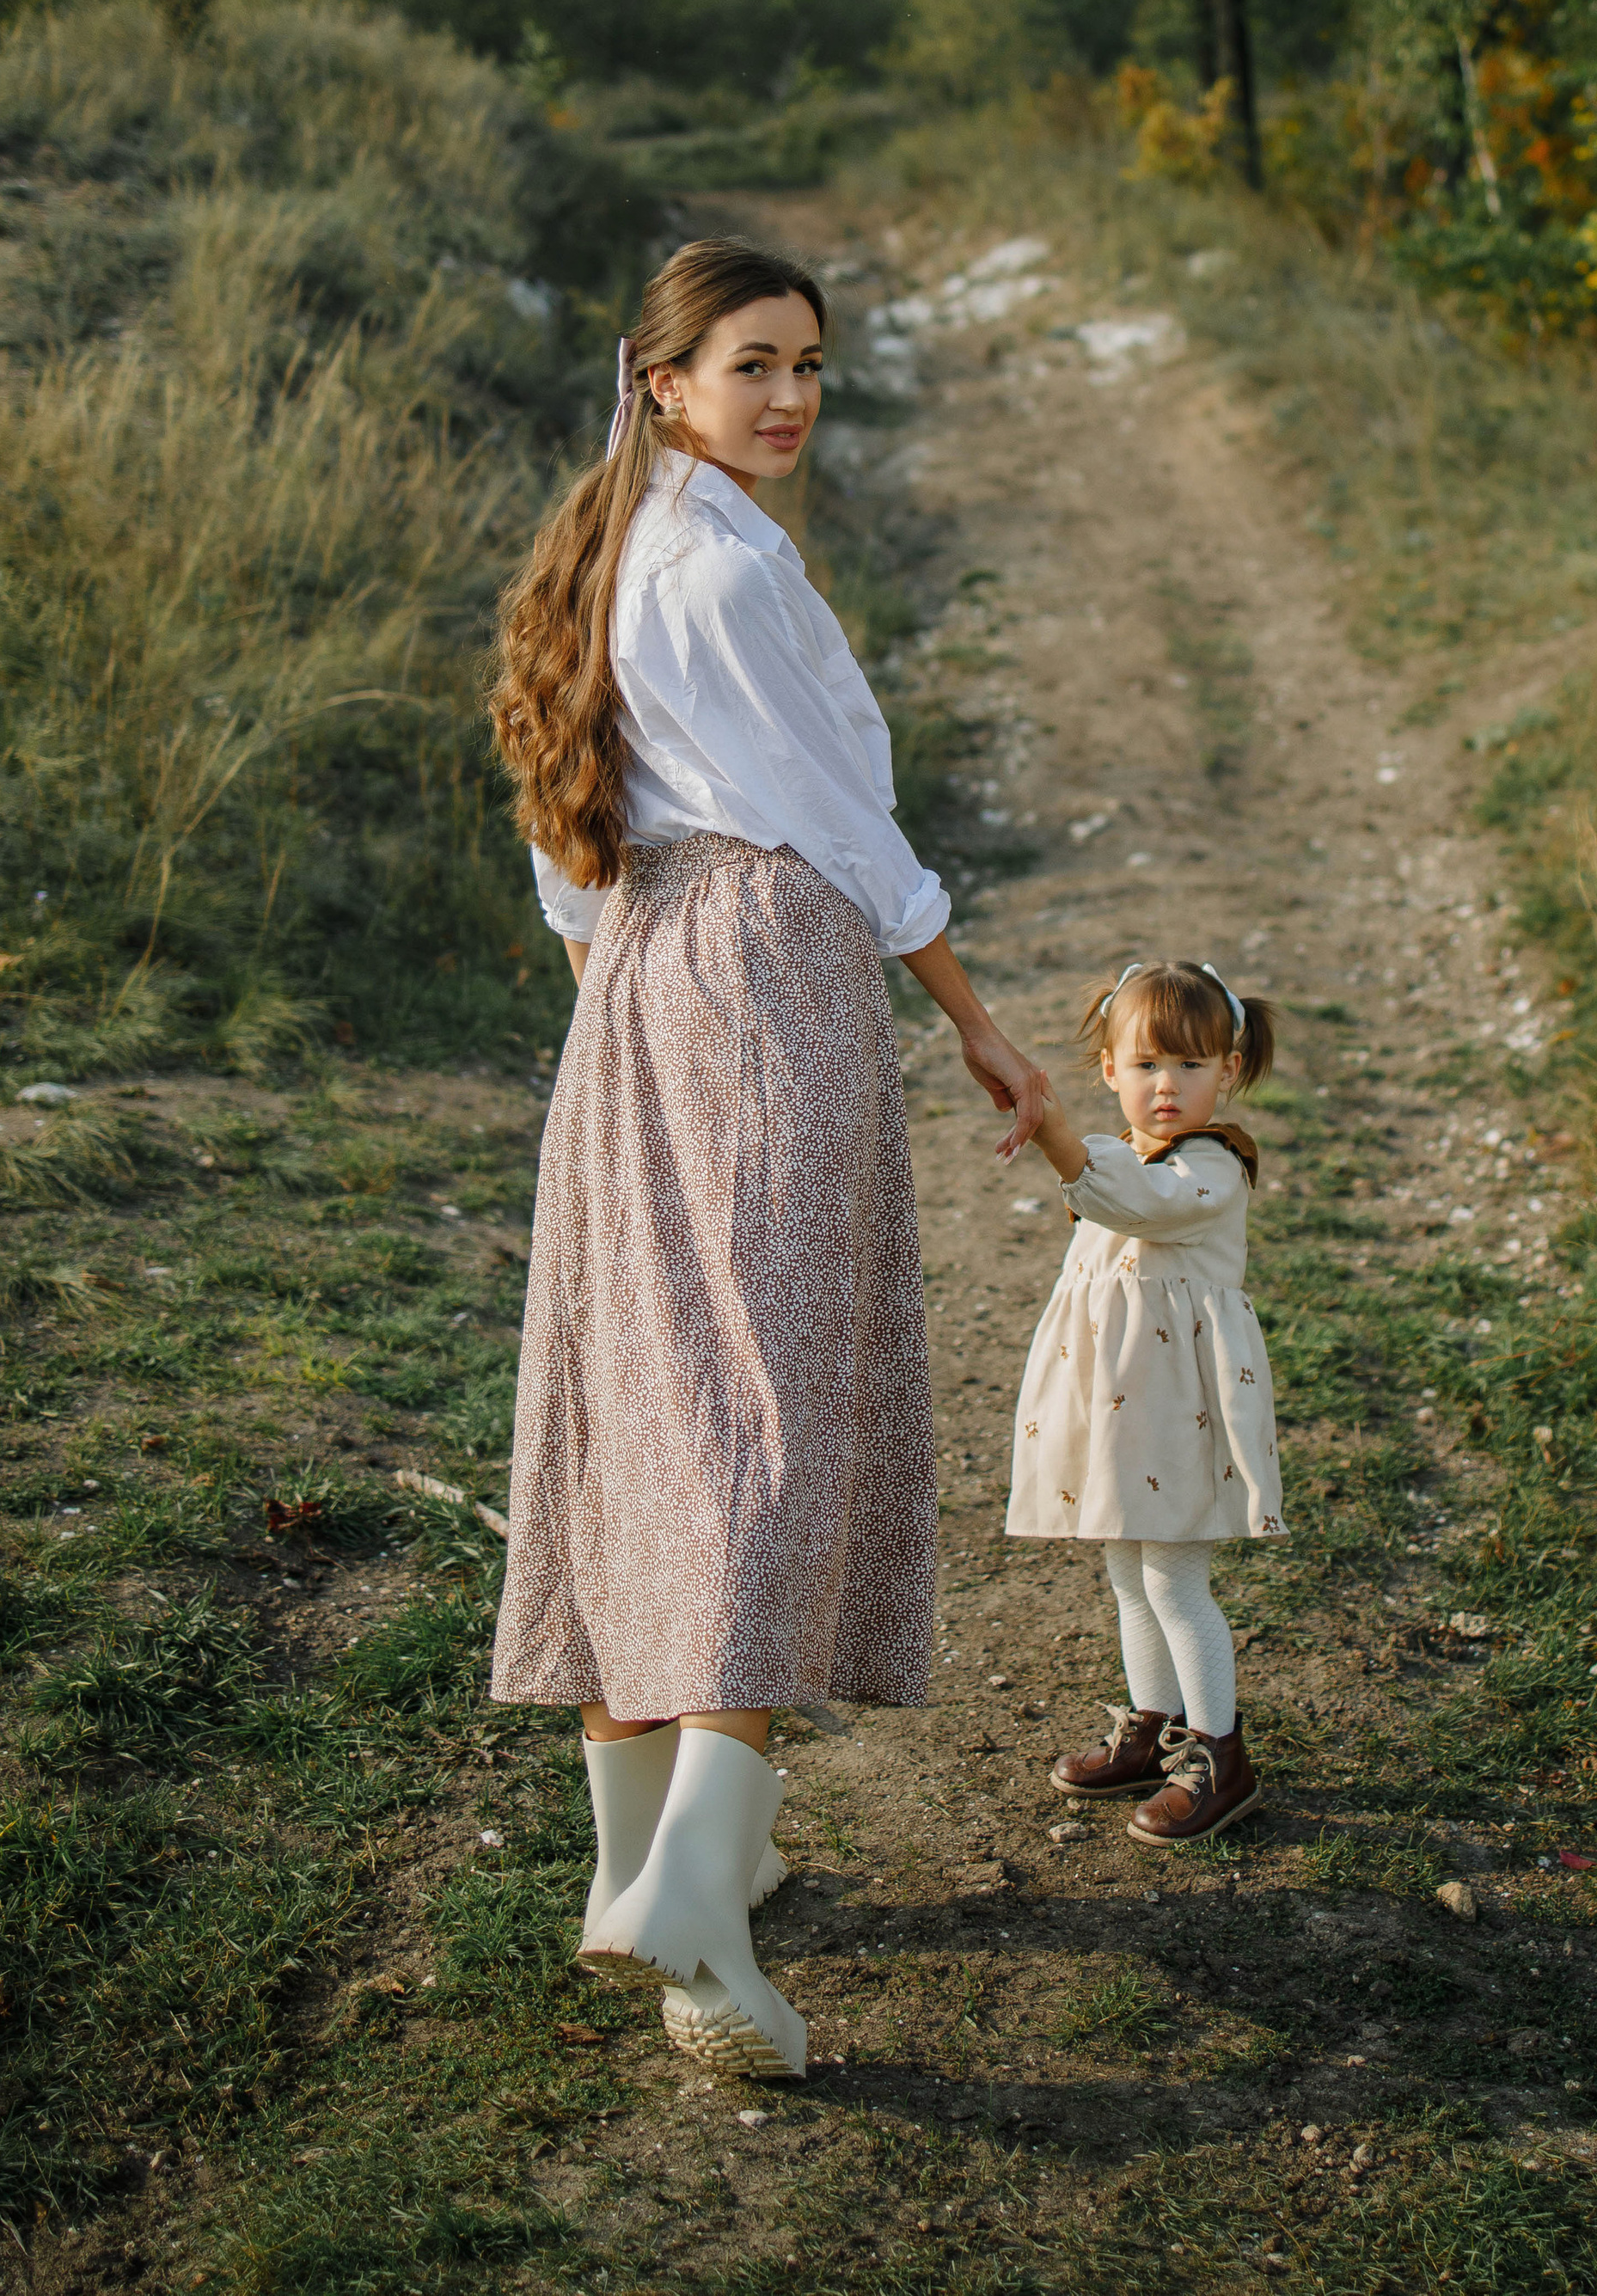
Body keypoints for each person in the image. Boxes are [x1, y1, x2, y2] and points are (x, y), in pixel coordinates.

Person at [486, 236, 1046, 2081]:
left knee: (638, 1404)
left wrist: (626, 1005)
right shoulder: (718, 564)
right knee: (764, 1407)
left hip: (638, 979)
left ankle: (639, 1862)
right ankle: (694, 1887)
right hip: (757, 969)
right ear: (664, 383)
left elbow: (570, 857)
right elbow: (842, 824)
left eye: (808, 363)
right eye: (751, 364)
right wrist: (970, 1012)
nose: (789, 397)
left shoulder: (601, 544)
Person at [1006, 958, 1283, 1843]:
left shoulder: (1210, 1169)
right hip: (1123, 1405)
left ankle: (1219, 1755)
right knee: (1127, 1569)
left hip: (1177, 1408)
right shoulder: (1129, 1158)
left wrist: (1054, 1135)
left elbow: (1139, 1207)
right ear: (1110, 1072)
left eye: (1192, 1066)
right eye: (1147, 1065)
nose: (1168, 1086)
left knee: (1173, 1576)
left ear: (1228, 1073)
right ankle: (1152, 1725)